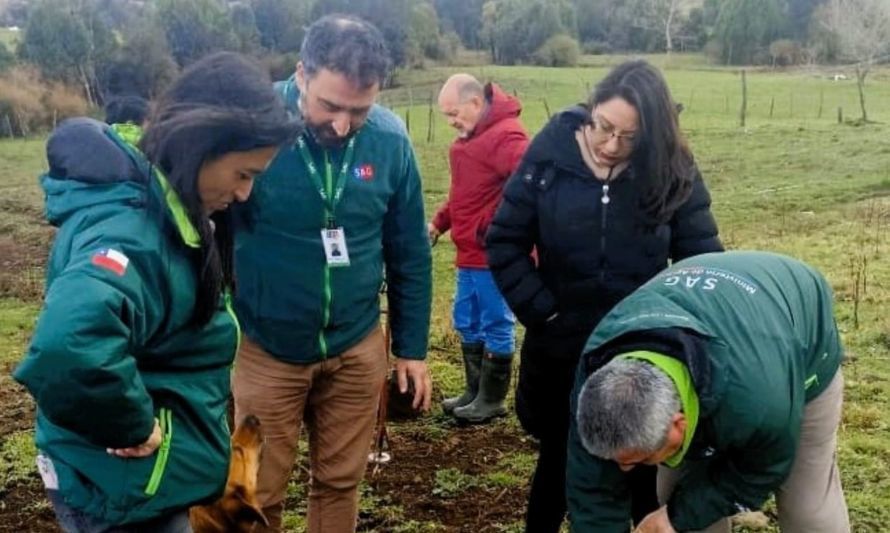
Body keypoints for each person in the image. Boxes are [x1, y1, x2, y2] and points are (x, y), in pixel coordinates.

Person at [13, 52, 298, 532]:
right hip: (120, 490)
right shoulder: (132, 236)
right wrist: (132, 423)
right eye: (243, 174)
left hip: (147, 485)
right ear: (200, 145)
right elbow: (69, 344)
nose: (245, 193)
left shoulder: (173, 216)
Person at [485, 60, 723, 532]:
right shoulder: (550, 155)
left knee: (640, 470)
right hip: (560, 347)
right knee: (557, 464)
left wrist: (671, 328)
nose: (611, 145)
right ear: (590, 110)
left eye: (629, 137)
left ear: (651, 134)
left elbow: (702, 264)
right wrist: (543, 311)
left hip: (642, 355)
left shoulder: (671, 168)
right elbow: (504, 240)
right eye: (604, 127)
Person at [231, 15, 433, 533]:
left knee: (340, 482)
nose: (342, 125)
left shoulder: (389, 142)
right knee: (253, 492)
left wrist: (410, 348)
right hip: (265, 350)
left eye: (359, 111)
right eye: (330, 106)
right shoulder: (251, 128)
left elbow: (409, 248)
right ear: (301, 74)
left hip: (355, 349)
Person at [569, 251, 849, 533]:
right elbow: (593, 487)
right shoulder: (597, 381)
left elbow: (762, 468)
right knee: (678, 498)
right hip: (717, 337)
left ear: (678, 424)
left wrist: (675, 517)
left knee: (807, 505)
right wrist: (676, 516)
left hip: (796, 333)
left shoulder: (760, 403)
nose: (626, 470)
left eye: (639, 460)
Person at [429, 73, 528, 423]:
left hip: (492, 255)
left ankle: (493, 399)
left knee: (495, 322)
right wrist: (439, 223)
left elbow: (528, 185)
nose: (451, 121)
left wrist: (496, 225)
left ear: (475, 102)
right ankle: (474, 391)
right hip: (467, 253)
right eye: (446, 116)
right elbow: (462, 196)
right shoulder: (467, 144)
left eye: (454, 113)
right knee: (466, 319)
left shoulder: (506, 136)